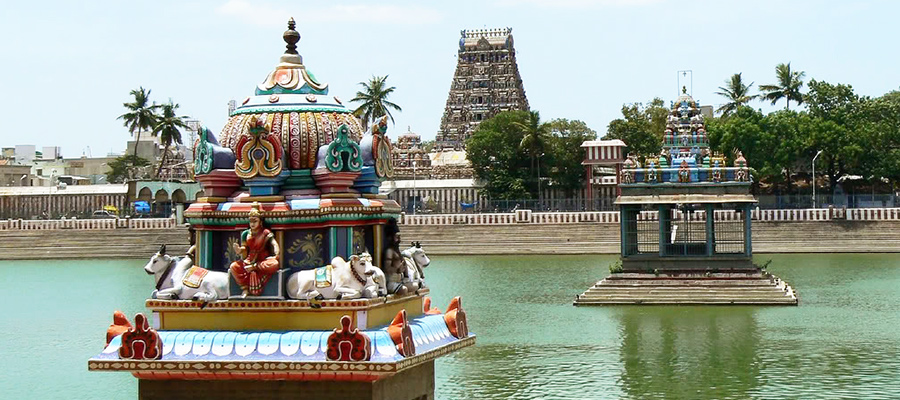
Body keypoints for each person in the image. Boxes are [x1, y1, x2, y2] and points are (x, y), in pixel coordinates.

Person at [229, 203, 280, 296]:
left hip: (262, 260)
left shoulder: (265, 232)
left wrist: (276, 253)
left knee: (274, 264)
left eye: (255, 221)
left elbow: (274, 243)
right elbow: (244, 248)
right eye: (250, 221)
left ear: (260, 222)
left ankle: (254, 267)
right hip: (249, 260)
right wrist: (239, 250)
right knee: (234, 267)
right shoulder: (245, 234)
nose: (252, 224)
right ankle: (244, 288)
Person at [382, 219, 408, 295]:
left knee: (415, 286)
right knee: (404, 290)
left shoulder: (396, 250)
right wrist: (397, 269)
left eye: (399, 237)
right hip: (391, 281)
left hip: (399, 280)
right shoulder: (389, 251)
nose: (399, 240)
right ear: (390, 238)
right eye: (397, 237)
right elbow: (387, 269)